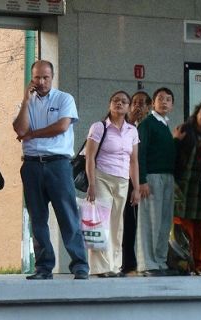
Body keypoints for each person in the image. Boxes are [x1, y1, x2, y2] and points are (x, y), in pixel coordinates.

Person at [13, 60, 89, 280]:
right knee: (37, 218)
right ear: (31, 78)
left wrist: (33, 134)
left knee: (67, 215)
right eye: (37, 77)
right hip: (31, 165)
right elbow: (19, 128)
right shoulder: (26, 103)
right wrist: (26, 101)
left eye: (46, 77)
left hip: (58, 164)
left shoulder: (64, 98)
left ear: (52, 76)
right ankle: (43, 267)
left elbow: (62, 127)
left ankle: (80, 265)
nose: (41, 81)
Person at [85, 90, 140, 278]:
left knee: (118, 225)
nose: (120, 103)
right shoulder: (99, 127)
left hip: (123, 181)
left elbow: (134, 161)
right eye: (116, 100)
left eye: (124, 101)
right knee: (101, 223)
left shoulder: (132, 130)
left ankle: (115, 266)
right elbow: (90, 157)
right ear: (110, 104)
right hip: (102, 178)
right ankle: (100, 267)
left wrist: (137, 188)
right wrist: (91, 183)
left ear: (129, 107)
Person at [172, 99, 201, 276]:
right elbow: (174, 154)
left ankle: (200, 264)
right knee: (185, 226)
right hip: (184, 184)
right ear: (197, 112)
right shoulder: (185, 129)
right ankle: (186, 262)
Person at [135, 87, 179, 277]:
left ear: (172, 105)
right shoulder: (147, 124)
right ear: (153, 103)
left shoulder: (165, 125)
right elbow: (140, 153)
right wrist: (142, 180)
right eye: (160, 98)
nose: (164, 102)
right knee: (150, 221)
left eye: (168, 99)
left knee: (164, 221)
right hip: (152, 177)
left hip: (167, 177)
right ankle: (147, 264)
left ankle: (160, 261)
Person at [121, 91, 151, 275]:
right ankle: (127, 263)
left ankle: (146, 262)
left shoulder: (150, 125)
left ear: (149, 107)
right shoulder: (124, 125)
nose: (138, 106)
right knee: (127, 222)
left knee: (146, 224)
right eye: (135, 103)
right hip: (126, 179)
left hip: (146, 181)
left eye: (142, 103)